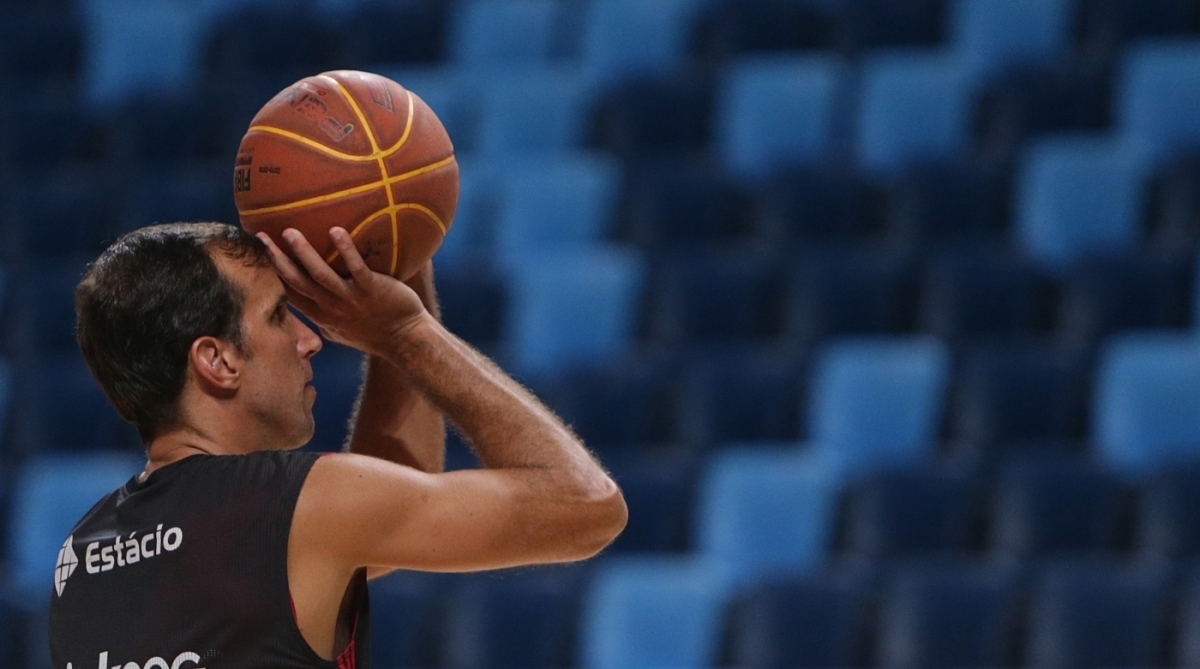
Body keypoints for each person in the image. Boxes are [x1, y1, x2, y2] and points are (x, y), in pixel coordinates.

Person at [49, 221, 627, 669]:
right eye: (279, 315)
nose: (310, 339)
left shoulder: (80, 556)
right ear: (217, 360)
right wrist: (407, 334)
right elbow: (586, 506)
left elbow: (379, 521)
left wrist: (406, 281)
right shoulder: (304, 506)